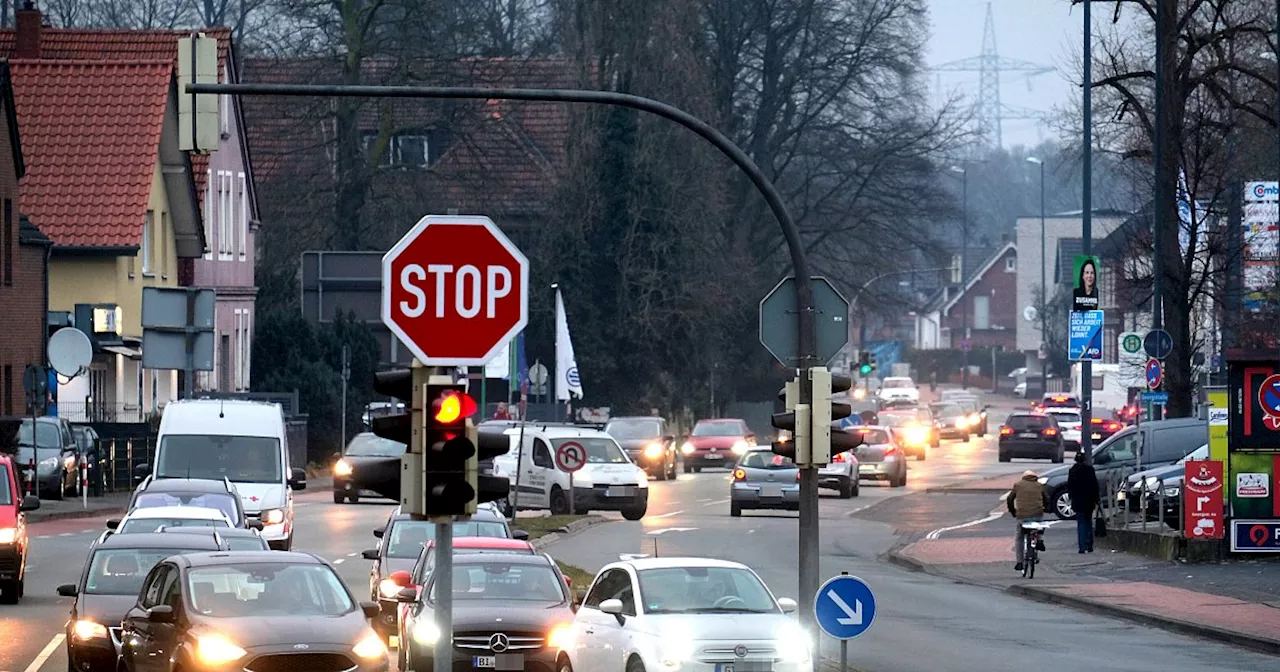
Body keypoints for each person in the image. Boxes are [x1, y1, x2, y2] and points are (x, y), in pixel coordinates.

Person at [1006, 470, 1050, 572]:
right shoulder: (1039, 486)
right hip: (1037, 514)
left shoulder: (1018, 485)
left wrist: (1013, 512)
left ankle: (1019, 562)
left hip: (1022, 515)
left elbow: (1010, 499)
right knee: (1038, 527)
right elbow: (1046, 499)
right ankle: (1039, 539)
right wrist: (1046, 509)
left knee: (1019, 538)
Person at [1067, 451, 1100, 553]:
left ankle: (1081, 547)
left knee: (1080, 523)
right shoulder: (1089, 469)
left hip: (1078, 500)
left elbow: (1070, 486)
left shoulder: (1072, 470)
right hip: (1089, 500)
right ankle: (1089, 544)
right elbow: (1094, 485)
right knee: (1088, 521)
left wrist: (1071, 497)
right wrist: (1096, 498)